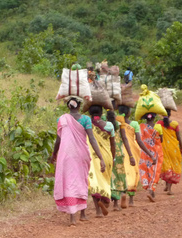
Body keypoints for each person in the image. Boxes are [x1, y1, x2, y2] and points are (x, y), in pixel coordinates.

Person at [50, 97, 105, 226]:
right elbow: (91, 138)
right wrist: (101, 157)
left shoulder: (61, 119)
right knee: (82, 181)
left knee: (69, 183)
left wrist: (54, 154)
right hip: (81, 155)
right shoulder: (85, 119)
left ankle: (72, 218)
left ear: (68, 106)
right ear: (80, 105)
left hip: (66, 155)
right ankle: (83, 214)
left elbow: (58, 140)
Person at [116, 105, 156, 207]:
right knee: (133, 173)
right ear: (128, 112)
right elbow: (139, 141)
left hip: (119, 151)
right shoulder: (134, 124)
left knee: (121, 172)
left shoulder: (117, 122)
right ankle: (131, 200)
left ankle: (121, 194)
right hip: (132, 152)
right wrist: (150, 154)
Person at [87, 105, 115, 217]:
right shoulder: (109, 125)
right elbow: (113, 143)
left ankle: (98, 211)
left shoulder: (87, 124)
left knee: (94, 181)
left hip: (94, 156)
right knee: (106, 180)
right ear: (102, 112)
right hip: (107, 156)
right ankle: (105, 201)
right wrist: (113, 157)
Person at [108, 110, 136, 211]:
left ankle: (113, 201)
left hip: (107, 151)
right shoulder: (120, 123)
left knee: (110, 176)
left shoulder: (104, 122)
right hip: (119, 152)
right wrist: (131, 155)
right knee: (120, 175)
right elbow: (124, 138)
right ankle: (121, 195)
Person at [156, 109, 182, 194]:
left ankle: (166, 186)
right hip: (173, 149)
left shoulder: (159, 123)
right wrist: (181, 147)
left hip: (163, 148)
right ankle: (169, 189)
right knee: (173, 166)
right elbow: (178, 137)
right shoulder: (175, 124)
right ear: (170, 114)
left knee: (167, 166)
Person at [139, 113, 163, 202]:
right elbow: (161, 139)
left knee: (145, 169)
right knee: (154, 171)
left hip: (144, 152)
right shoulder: (158, 127)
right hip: (155, 153)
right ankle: (151, 190)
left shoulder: (141, 126)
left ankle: (147, 186)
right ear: (154, 117)